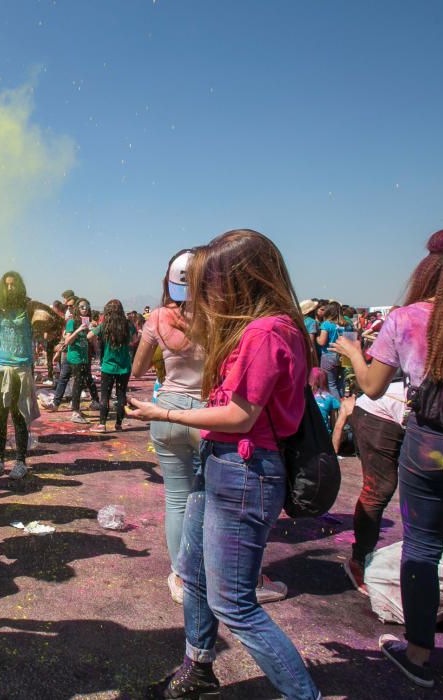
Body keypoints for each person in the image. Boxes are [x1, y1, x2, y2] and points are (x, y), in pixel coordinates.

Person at [128, 229, 320, 700]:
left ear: (239, 278)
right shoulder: (266, 326)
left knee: (233, 602)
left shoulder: (264, 331)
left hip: (244, 471)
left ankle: (303, 694)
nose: (204, 289)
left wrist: (163, 412)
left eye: (211, 278)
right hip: (220, 462)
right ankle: (198, 669)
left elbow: (240, 415)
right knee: (191, 573)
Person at [331, 226, 443, 692]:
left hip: (434, 444)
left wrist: (349, 352)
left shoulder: (408, 318)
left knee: (422, 546)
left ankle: (419, 654)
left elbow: (371, 387)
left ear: (431, 269)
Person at [131, 250, 206, 606]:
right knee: (216, 501)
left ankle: (181, 575)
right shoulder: (221, 318)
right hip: (210, 413)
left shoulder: (159, 318)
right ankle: (224, 573)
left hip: (167, 408)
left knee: (177, 499)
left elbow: (137, 369)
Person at [0, 271, 54, 480]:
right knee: (0, 418)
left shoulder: (28, 307)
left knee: (20, 418)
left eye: (14, 284)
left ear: (20, 286)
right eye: (8, 285)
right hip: (0, 369)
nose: (11, 288)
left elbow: (50, 320)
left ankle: (21, 462)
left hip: (21, 370)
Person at [46, 298, 101, 422]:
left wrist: (93, 332)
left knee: (80, 383)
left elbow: (90, 340)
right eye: (82, 307)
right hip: (72, 357)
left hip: (83, 358)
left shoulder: (88, 322)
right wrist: (79, 329)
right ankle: (73, 411)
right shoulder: (72, 322)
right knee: (71, 382)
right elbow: (67, 341)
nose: (85, 309)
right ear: (77, 308)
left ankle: (76, 407)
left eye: (87, 307)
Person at [88, 299, 136, 432]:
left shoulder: (104, 326)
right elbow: (135, 340)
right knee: (121, 395)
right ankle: (118, 424)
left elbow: (89, 335)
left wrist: (99, 341)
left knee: (105, 396)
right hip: (124, 366)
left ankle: (102, 424)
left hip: (108, 366)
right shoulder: (128, 325)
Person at [317, 301, 346, 397]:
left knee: (331, 384)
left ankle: (337, 407)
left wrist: (316, 337)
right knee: (341, 383)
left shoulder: (326, 324)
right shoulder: (347, 325)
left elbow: (322, 342)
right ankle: (343, 403)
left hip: (329, 355)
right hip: (344, 355)